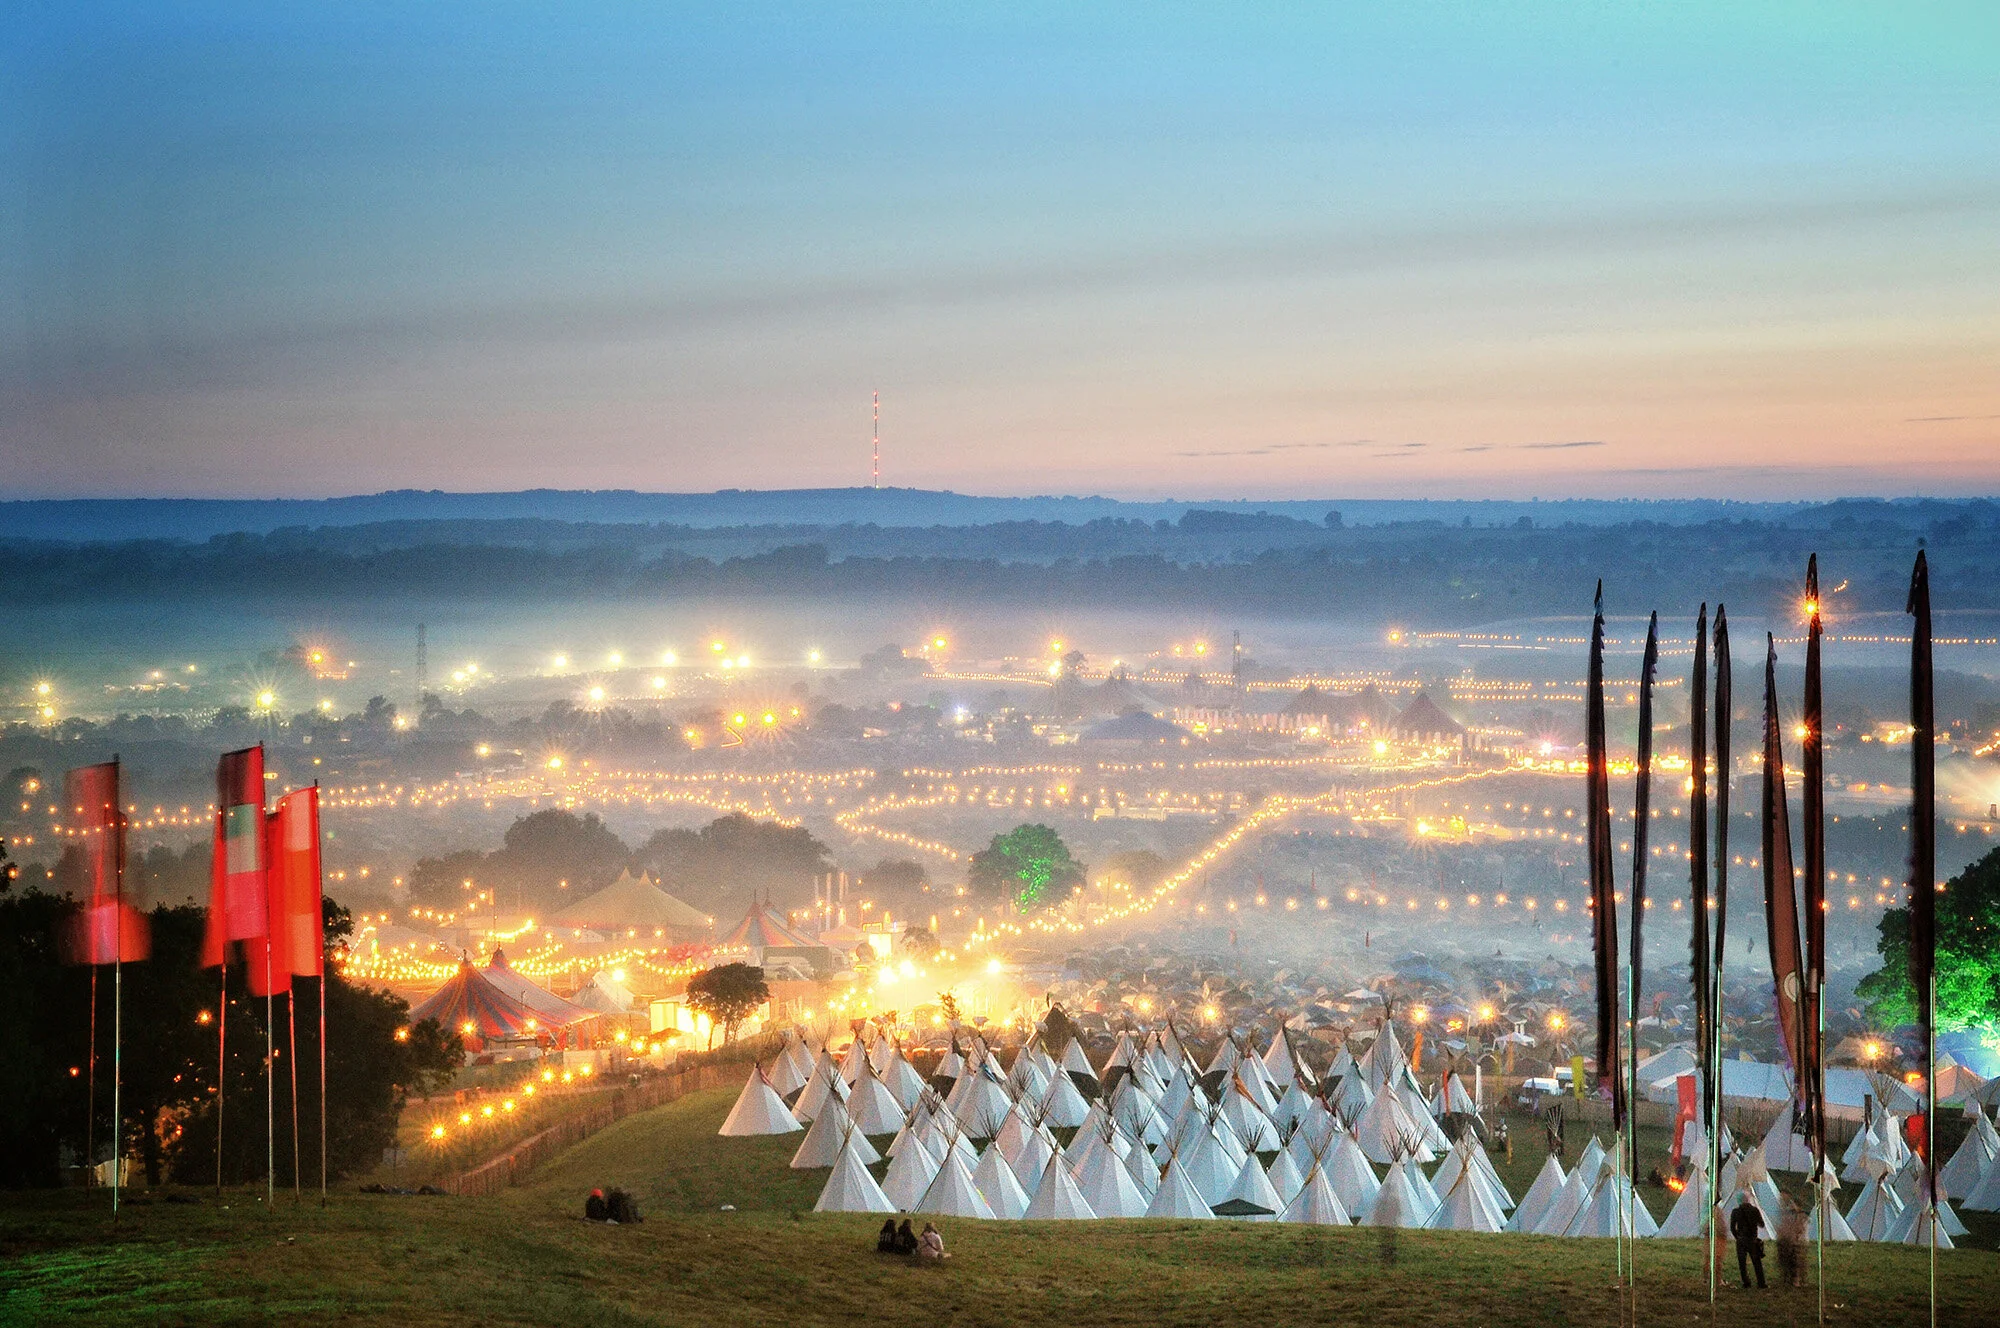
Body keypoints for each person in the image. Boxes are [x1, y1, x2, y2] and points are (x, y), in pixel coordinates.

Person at [1729, 1193, 1767, 1289]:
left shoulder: (1736, 1212)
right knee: (1756, 1262)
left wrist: (1737, 1237)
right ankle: (1761, 1283)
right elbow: (1761, 1224)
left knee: (1742, 1263)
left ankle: (1746, 1282)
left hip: (1741, 1239)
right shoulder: (1754, 1210)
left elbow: (1732, 1227)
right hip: (1752, 1239)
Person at [1776, 1198, 1807, 1288]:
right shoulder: (1790, 1215)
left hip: (1798, 1242)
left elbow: (1801, 1229)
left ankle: (1798, 1280)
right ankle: (1788, 1279)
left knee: (1797, 1263)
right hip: (1789, 1241)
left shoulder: (1802, 1216)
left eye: (1793, 1204)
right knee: (1788, 1262)